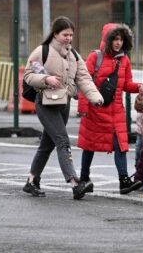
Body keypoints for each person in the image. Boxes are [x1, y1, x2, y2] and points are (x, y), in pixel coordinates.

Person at [22, 16, 104, 199]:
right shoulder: (42, 51)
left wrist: (96, 98)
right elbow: (28, 75)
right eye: (65, 35)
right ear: (55, 34)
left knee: (47, 144)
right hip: (46, 103)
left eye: (71, 35)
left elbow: (83, 78)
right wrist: (45, 79)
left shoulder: (73, 55)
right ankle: (75, 183)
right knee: (63, 141)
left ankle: (31, 181)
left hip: (64, 103)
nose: (68, 38)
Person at [77, 23, 143, 195]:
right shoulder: (95, 57)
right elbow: (84, 82)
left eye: (121, 39)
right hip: (96, 110)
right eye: (115, 39)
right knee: (90, 144)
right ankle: (84, 177)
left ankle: (123, 180)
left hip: (116, 112)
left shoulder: (124, 60)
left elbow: (126, 84)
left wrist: (138, 87)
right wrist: (83, 107)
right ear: (108, 40)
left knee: (120, 145)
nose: (118, 43)